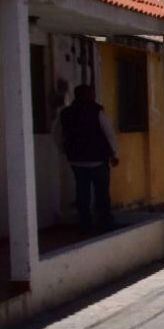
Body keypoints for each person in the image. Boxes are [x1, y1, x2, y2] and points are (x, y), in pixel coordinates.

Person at [55, 84, 119, 233]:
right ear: (90, 95)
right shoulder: (97, 111)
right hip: (97, 159)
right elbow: (109, 133)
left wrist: (64, 151)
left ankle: (85, 223)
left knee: (82, 193)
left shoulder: (65, 113)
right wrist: (115, 154)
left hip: (77, 160)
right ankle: (104, 223)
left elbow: (57, 135)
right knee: (101, 194)